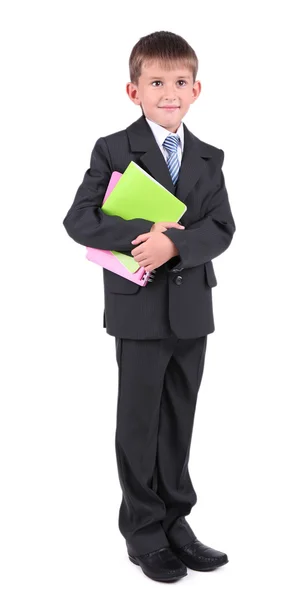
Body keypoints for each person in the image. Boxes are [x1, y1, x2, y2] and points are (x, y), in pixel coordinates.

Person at [63, 30, 236, 583]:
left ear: (197, 89)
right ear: (133, 90)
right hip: (138, 307)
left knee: (178, 420)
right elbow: (79, 219)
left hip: (191, 310)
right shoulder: (114, 148)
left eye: (180, 82)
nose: (169, 92)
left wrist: (177, 245)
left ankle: (176, 521)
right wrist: (146, 233)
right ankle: (143, 532)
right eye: (156, 82)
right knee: (139, 420)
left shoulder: (209, 157)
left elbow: (222, 228)